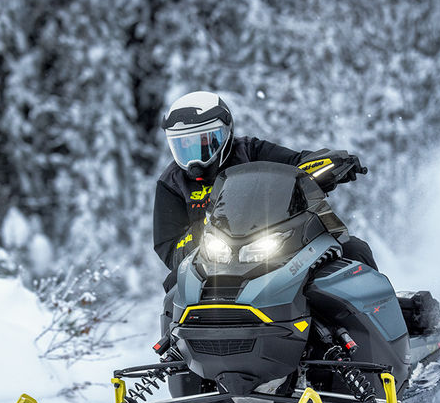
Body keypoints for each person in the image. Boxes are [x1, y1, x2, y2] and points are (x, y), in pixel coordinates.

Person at [152, 90, 374, 284]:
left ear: (226, 134)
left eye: (204, 142)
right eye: (183, 146)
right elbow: (168, 246)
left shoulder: (250, 151)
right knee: (174, 284)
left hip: (277, 245)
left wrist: (332, 164)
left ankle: (381, 319)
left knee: (354, 250)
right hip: (212, 261)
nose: (195, 161)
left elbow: (298, 164)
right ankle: (174, 334)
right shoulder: (171, 182)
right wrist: (204, 234)